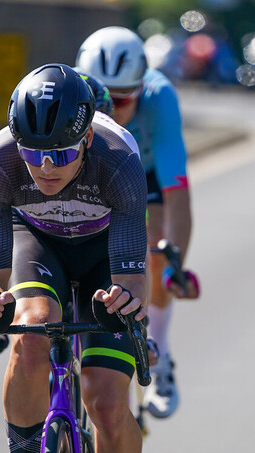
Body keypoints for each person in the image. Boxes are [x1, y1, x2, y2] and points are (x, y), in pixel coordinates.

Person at [0, 64, 148, 453]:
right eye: (32, 153)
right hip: (39, 242)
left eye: (61, 154)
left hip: (105, 253)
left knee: (105, 403)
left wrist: (128, 303)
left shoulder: (118, 159)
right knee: (30, 336)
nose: (46, 168)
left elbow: (133, 280)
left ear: (86, 139)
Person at [76, 26, 200, 419]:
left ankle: (159, 353)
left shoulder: (159, 98)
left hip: (142, 175)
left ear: (141, 89)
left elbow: (176, 189)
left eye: (123, 99)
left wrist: (174, 260)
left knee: (156, 241)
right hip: (90, 174)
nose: (110, 109)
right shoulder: (70, 93)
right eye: (101, 100)